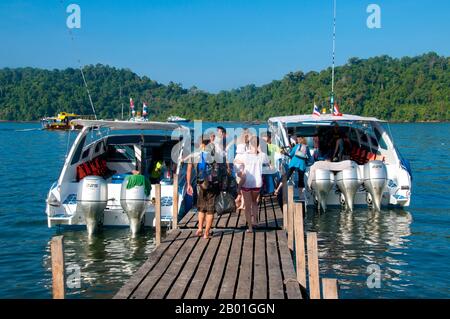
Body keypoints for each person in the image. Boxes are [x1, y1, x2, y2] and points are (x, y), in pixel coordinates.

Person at [186, 135, 221, 239]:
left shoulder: (194, 154)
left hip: (200, 184)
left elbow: (188, 170)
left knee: (201, 208)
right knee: (210, 210)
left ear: (199, 143)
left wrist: (188, 184)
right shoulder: (213, 154)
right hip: (212, 185)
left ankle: (200, 228)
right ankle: (206, 233)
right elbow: (220, 168)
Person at [234, 136, 270, 233]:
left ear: (249, 144)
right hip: (257, 183)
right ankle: (256, 222)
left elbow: (236, 161)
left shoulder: (245, 155)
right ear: (258, 144)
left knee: (247, 205)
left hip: (247, 183)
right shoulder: (262, 155)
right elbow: (268, 162)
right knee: (254, 202)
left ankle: (250, 227)